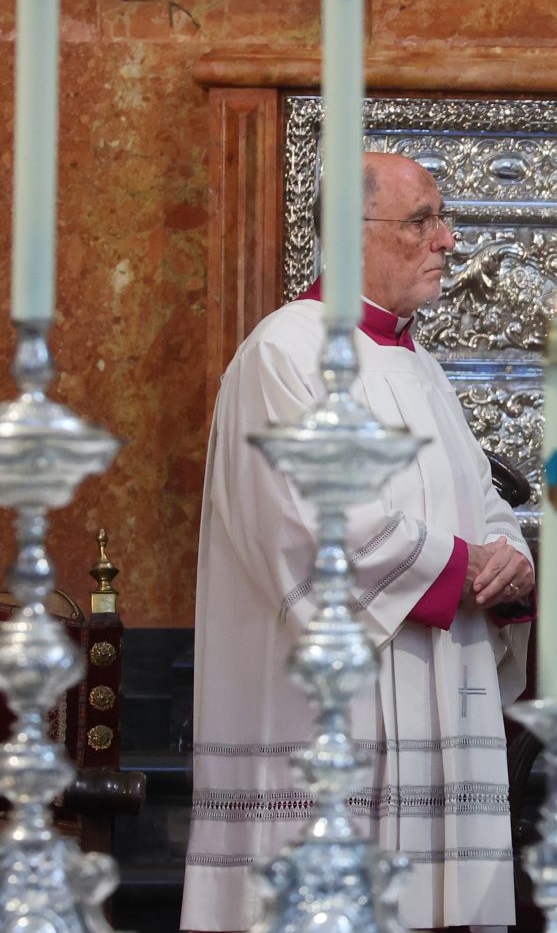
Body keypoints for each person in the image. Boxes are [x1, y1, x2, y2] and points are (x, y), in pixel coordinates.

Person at [183, 151, 536, 932]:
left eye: (444, 218)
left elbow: (481, 497)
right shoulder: (283, 354)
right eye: (422, 220)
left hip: (439, 697)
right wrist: (459, 565)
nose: (446, 239)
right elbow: (312, 527)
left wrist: (511, 556)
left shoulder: (422, 367)